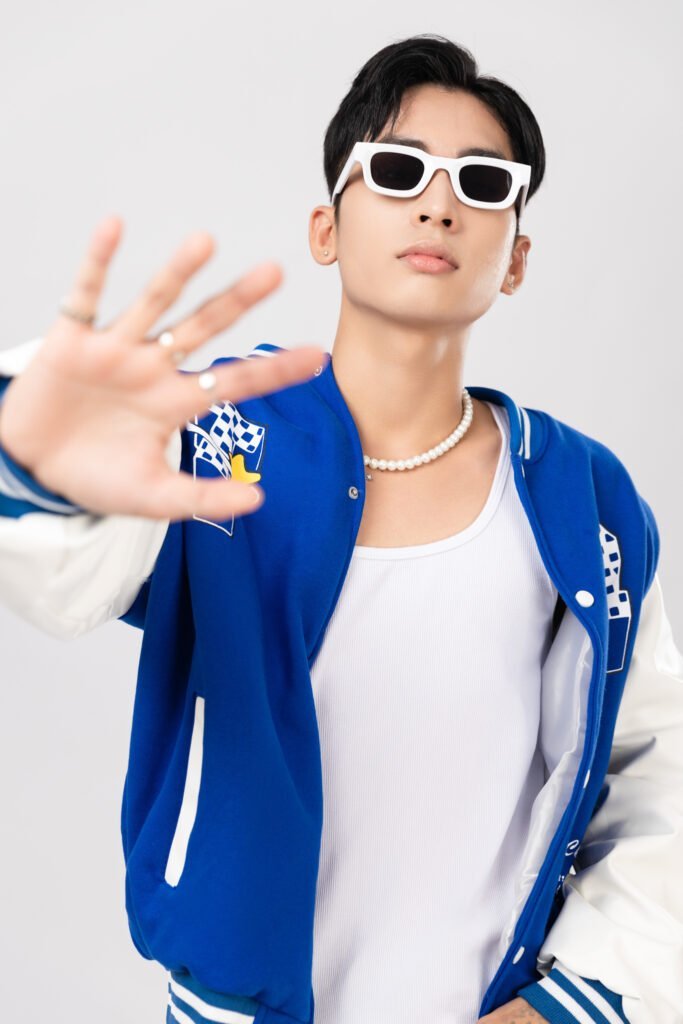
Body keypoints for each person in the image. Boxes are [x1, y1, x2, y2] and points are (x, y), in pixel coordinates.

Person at [0, 32, 681, 1024]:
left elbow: (654, 777)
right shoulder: (214, 436)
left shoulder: (580, 497)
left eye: (482, 182)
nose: (437, 205)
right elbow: (65, 576)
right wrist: (39, 459)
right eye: (398, 170)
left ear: (516, 257)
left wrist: (567, 1006)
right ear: (326, 228)